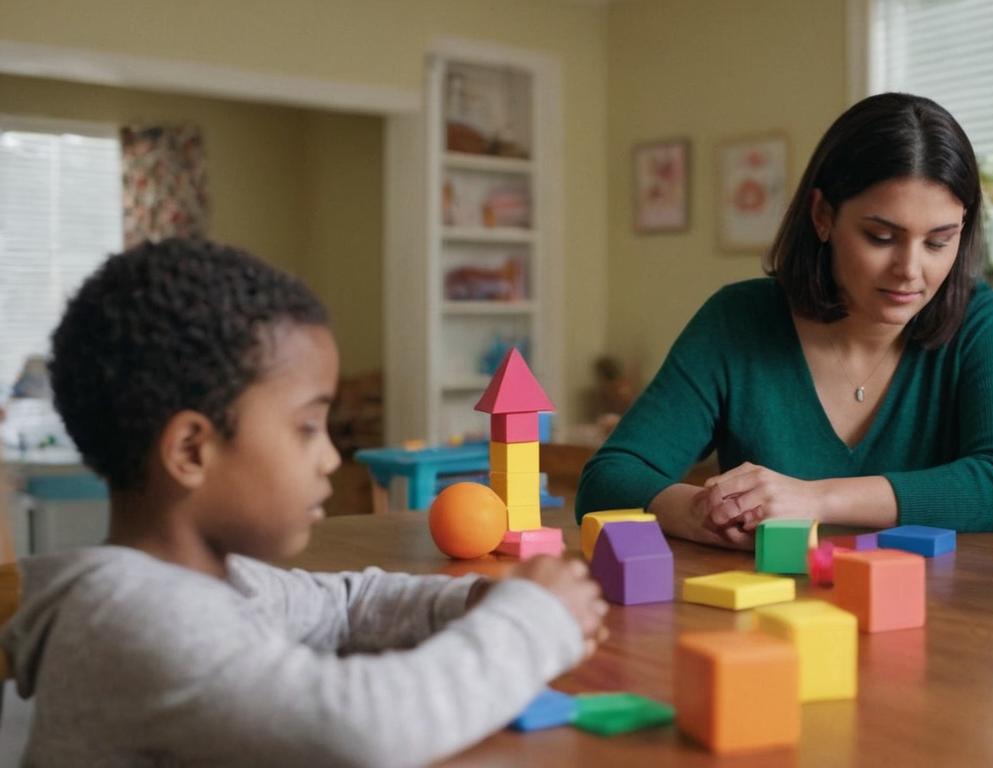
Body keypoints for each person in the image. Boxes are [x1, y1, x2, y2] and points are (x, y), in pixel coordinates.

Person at [0, 238, 607, 766]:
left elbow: (350, 603)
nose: (330, 459)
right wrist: (531, 621)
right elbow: (360, 728)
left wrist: (473, 598)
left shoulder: (216, 584)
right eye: (307, 428)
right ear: (190, 450)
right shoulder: (136, 617)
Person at [576, 93, 993, 548]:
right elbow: (610, 478)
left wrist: (818, 498)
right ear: (822, 216)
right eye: (881, 237)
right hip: (775, 614)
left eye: (939, 242)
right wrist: (700, 511)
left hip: (943, 616)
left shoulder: (978, 320)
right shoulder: (738, 321)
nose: (911, 269)